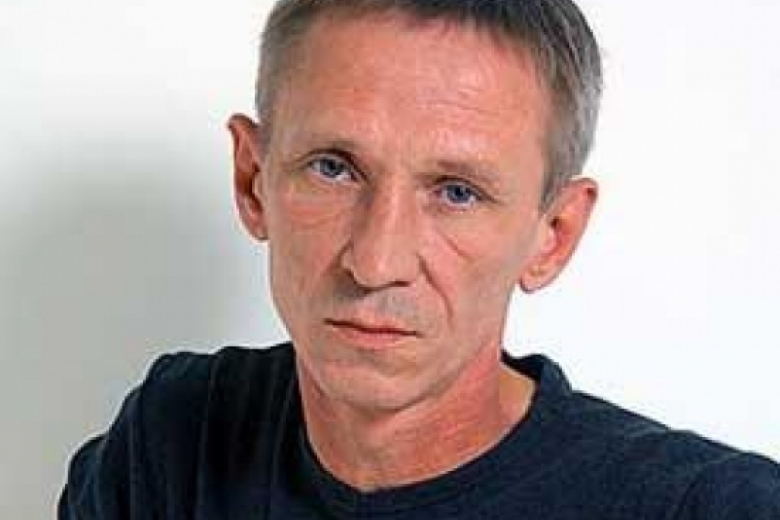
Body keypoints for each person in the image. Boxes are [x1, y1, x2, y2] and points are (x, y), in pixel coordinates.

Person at [59, 0, 780, 518]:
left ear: (554, 234)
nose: (376, 262)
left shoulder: (713, 507)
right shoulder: (173, 437)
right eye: (334, 168)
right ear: (254, 181)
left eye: (457, 192)